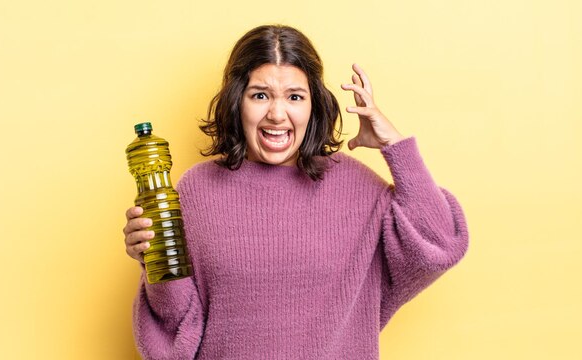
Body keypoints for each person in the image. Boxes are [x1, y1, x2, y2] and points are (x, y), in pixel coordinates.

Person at [123, 24, 469, 360]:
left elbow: (438, 243)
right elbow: (176, 334)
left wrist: (394, 145)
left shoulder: (356, 187)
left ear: (313, 105)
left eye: (294, 97)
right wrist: (156, 263)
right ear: (236, 101)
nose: (277, 114)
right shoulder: (197, 190)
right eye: (260, 95)